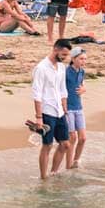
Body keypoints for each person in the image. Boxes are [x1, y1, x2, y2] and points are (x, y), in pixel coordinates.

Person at [28, 39, 71, 180]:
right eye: (63, 55)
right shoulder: (41, 68)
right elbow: (37, 93)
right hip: (47, 111)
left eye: (66, 55)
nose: (65, 58)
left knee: (65, 144)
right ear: (55, 49)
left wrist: (64, 105)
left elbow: (62, 88)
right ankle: (43, 177)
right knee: (47, 145)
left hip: (59, 110)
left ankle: (54, 172)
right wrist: (39, 117)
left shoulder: (61, 67)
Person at [64, 47, 88, 169]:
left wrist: (84, 89)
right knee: (72, 138)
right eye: (81, 59)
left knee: (83, 138)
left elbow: (82, 84)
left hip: (79, 108)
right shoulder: (65, 72)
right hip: (68, 108)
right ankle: (68, 166)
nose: (83, 61)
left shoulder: (82, 72)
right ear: (73, 59)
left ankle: (75, 161)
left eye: (85, 59)